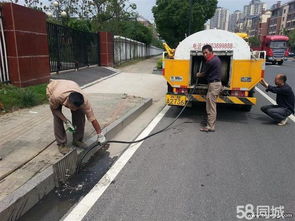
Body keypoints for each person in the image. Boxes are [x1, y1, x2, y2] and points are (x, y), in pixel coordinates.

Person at [46, 80, 106, 154]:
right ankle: (61, 144)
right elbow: (54, 110)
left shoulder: (85, 102)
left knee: (80, 113)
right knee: (57, 118)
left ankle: (77, 140)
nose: (74, 110)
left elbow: (92, 118)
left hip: (71, 85)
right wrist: (66, 121)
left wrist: (100, 134)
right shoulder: (56, 96)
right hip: (54, 87)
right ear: (68, 101)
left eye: (76, 107)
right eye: (72, 107)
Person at [196, 44, 223, 132]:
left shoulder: (210, 61)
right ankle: (209, 122)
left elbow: (205, 73)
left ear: (211, 52)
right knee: (209, 104)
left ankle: (210, 126)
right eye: (203, 53)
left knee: (211, 106)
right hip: (215, 84)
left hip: (214, 85)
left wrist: (198, 75)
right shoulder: (216, 58)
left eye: (206, 53)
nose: (204, 55)